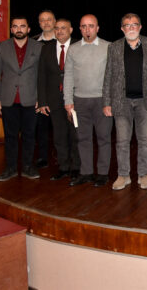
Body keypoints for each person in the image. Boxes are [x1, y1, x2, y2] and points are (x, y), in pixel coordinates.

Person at [102, 13, 147, 191]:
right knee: (122, 141)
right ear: (122, 29)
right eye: (127, 25)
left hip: (145, 102)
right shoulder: (114, 47)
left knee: (145, 140)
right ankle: (123, 175)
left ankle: (143, 174)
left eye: (135, 24)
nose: (131, 28)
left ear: (140, 27)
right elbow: (108, 75)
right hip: (121, 102)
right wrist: (107, 101)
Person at [0, 15, 43, 181]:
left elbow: (43, 76)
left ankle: (28, 167)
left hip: (31, 99)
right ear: (11, 29)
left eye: (22, 26)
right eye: (15, 26)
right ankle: (10, 168)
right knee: (10, 136)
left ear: (28, 29)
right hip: (7, 99)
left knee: (29, 135)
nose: (19, 29)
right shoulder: (2, 47)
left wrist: (41, 98)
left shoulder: (39, 47)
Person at [63, 14, 113, 187]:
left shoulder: (109, 47)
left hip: (102, 101)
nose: (87, 29)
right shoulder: (73, 49)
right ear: (80, 29)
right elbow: (68, 76)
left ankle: (102, 173)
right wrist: (68, 101)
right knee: (83, 138)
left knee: (104, 138)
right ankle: (86, 172)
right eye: (84, 26)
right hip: (79, 102)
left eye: (91, 26)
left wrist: (110, 101)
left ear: (97, 28)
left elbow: (114, 77)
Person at [37, 18, 80, 181]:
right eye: (57, 28)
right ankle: (63, 167)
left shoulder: (79, 46)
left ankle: (76, 167)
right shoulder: (46, 49)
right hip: (54, 99)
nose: (60, 31)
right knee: (59, 135)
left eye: (63, 28)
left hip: (75, 98)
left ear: (71, 30)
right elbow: (41, 76)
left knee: (75, 135)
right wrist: (42, 101)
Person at [32, 10, 57, 169]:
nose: (46, 23)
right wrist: (36, 96)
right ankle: (42, 157)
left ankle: (62, 156)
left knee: (61, 127)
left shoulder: (65, 40)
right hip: (40, 91)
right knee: (41, 128)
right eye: (42, 20)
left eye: (49, 19)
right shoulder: (32, 42)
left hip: (59, 92)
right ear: (39, 23)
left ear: (54, 21)